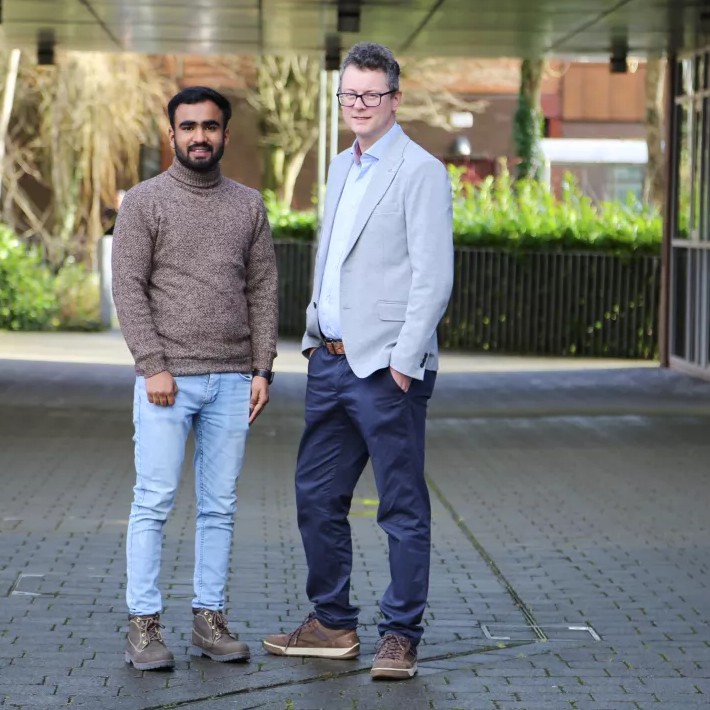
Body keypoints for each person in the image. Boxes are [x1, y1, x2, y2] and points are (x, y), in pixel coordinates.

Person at [262, 43, 454, 680]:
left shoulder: (420, 171)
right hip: (331, 363)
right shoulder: (341, 167)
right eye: (349, 95)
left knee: (400, 507)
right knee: (316, 494)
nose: (359, 106)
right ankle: (332, 622)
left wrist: (403, 362)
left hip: (387, 371)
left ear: (395, 99)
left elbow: (434, 277)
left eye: (371, 95)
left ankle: (400, 635)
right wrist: (315, 336)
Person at [112, 86, 279, 670]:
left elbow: (261, 288)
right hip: (166, 382)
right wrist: (152, 363)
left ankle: (209, 620)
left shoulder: (249, 205)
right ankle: (143, 626)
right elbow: (128, 287)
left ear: (225, 135)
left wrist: (262, 367)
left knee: (220, 507)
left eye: (210, 127)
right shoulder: (144, 202)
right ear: (172, 134)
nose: (199, 137)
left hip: (233, 381)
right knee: (153, 502)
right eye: (188, 127)